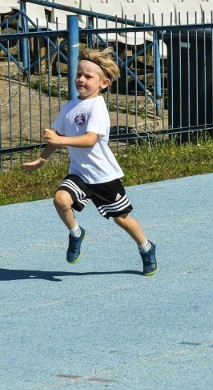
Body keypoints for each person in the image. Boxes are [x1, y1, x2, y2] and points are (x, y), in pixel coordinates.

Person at [22, 47, 158, 276]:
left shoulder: (98, 107)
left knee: (122, 220)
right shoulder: (70, 106)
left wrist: (61, 139)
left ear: (103, 83)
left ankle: (146, 247)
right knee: (61, 200)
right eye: (78, 74)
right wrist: (41, 160)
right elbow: (56, 138)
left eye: (88, 76)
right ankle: (76, 232)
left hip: (103, 176)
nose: (81, 79)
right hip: (79, 174)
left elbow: (90, 140)